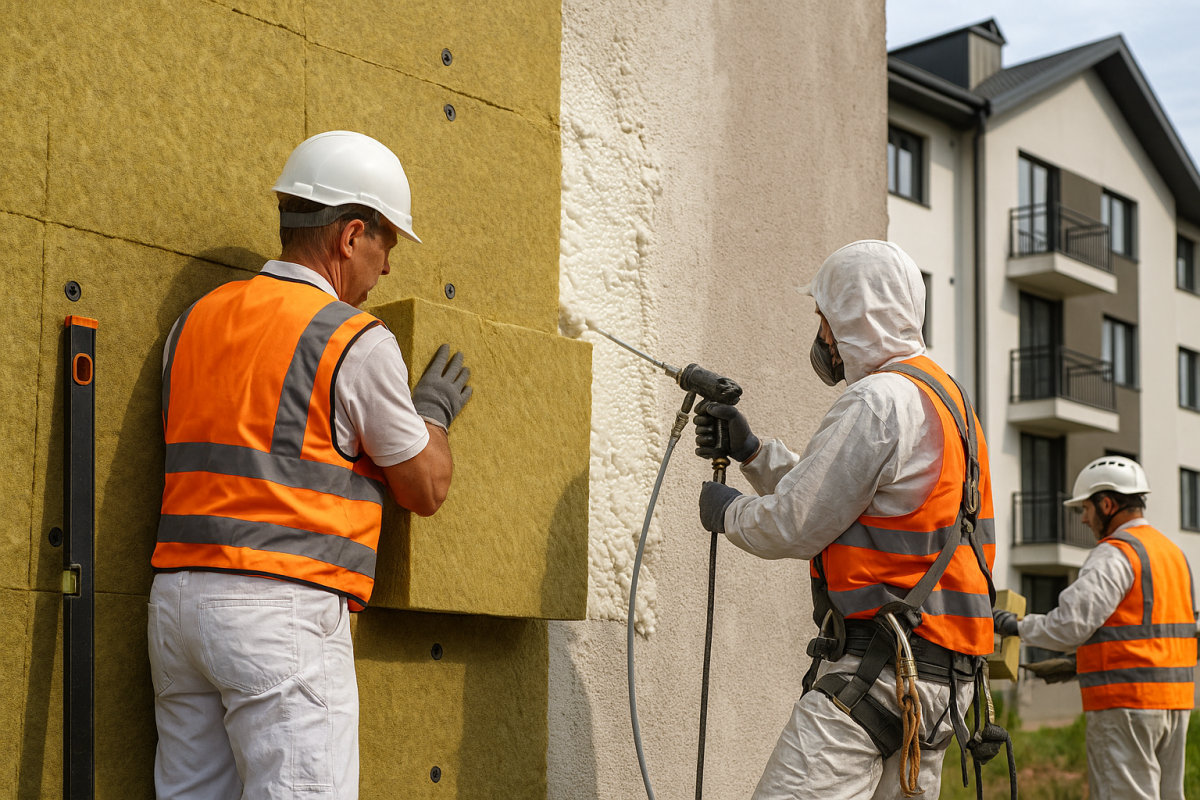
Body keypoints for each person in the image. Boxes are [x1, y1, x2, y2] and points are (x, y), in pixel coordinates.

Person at [147, 130, 473, 799]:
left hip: (177, 606)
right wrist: (431, 413)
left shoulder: (195, 321)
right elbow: (425, 486)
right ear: (352, 235)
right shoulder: (352, 338)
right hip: (280, 612)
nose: (386, 270)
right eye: (386, 245)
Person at [695, 240, 1006, 799]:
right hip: (938, 687)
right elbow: (850, 500)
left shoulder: (878, 400)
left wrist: (728, 514)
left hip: (879, 677)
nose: (822, 337)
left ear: (853, 316)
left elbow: (795, 522)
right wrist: (754, 454)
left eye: (825, 317)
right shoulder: (949, 402)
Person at [993, 456, 1197, 800]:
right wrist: (1082, 662)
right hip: (1175, 703)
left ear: (1107, 504)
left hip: (1126, 704)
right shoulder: (1174, 554)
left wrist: (1014, 626)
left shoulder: (1115, 555)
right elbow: (1154, 632)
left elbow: (1069, 625)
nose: (1085, 518)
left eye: (1085, 509)